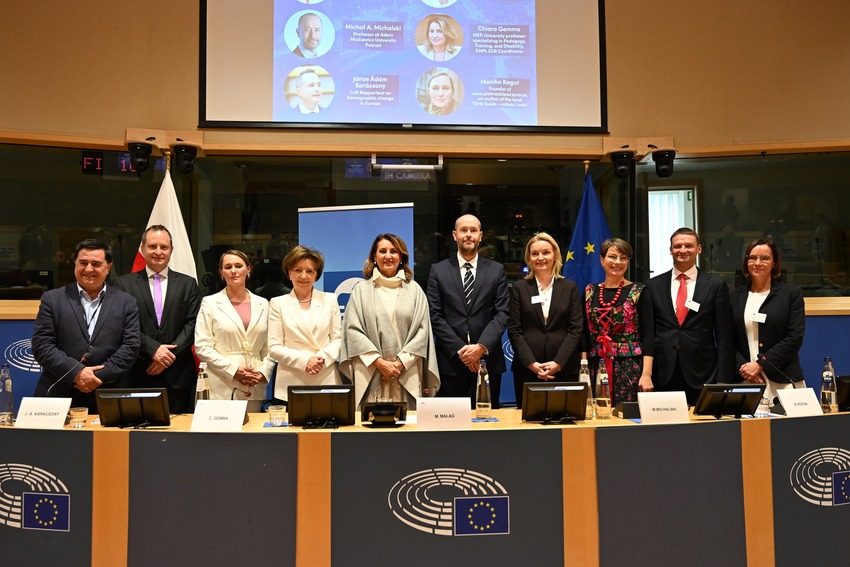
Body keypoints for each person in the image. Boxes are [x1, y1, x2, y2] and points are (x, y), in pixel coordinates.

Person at [32, 239, 140, 411]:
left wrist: (96, 376)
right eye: (83, 263)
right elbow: (42, 346)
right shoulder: (52, 299)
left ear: (108, 267)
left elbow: (130, 347)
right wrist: (76, 373)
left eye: (96, 264)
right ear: (75, 263)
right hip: (60, 393)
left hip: (108, 393)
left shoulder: (126, 302)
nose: (88, 269)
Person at [340, 234, 439, 408]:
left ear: (401, 257)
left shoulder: (415, 291)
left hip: (407, 369)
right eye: (383, 251)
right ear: (374, 256)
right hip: (371, 370)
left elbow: (422, 332)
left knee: (407, 423)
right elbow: (353, 330)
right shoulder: (360, 291)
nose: (388, 256)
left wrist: (399, 364)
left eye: (393, 251)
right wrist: (379, 363)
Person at [114, 225, 201, 413]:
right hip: (139, 371)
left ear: (171, 250)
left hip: (178, 374)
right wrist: (152, 349)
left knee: (179, 429)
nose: (158, 252)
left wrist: (167, 357)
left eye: (164, 247)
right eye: (152, 246)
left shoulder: (188, 284)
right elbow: (122, 325)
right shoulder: (123, 284)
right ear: (142, 249)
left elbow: (193, 323)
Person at [644, 227, 734, 404]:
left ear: (699, 249)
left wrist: (723, 379)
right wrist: (646, 373)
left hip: (703, 372)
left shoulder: (715, 286)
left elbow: (724, 336)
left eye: (689, 246)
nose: (683, 250)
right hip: (663, 373)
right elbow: (649, 333)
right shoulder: (653, 285)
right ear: (671, 250)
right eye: (677, 246)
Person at [427, 214, 509, 407]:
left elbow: (502, 313)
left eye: (473, 230)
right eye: (464, 230)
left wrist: (480, 348)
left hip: (488, 361)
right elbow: (434, 315)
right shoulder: (438, 270)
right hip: (451, 362)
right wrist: (462, 351)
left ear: (480, 235)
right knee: (452, 422)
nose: (469, 234)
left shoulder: (496, 270)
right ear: (454, 235)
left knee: (487, 419)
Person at [508, 233, 583, 407]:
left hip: (563, 368)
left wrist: (558, 363)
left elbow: (576, 329)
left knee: (564, 417)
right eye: (535, 254)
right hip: (528, 370)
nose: (540, 258)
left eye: (546, 252)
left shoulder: (569, 288)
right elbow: (514, 330)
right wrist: (531, 363)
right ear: (529, 258)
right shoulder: (519, 288)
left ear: (555, 255)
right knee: (529, 419)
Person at [195, 250, 275, 412]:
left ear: (248, 269)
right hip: (221, 384)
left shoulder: (263, 304)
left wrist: (263, 372)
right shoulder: (209, 303)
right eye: (228, 267)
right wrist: (233, 370)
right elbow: (202, 346)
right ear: (221, 273)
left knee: (253, 428)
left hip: (253, 383)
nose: (233, 271)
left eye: (238, 266)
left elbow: (271, 346)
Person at [730, 238, 805, 402]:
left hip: (782, 378)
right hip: (745, 379)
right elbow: (727, 339)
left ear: (774, 263)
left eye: (765, 258)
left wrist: (761, 365)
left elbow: (794, 337)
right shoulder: (733, 296)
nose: (757, 263)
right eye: (752, 258)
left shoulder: (791, 294)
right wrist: (744, 368)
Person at [583, 238, 654, 406]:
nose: (617, 262)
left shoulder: (639, 291)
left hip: (629, 366)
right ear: (602, 260)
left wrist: (647, 374)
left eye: (623, 258)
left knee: (627, 415)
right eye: (612, 257)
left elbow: (649, 334)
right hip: (596, 365)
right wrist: (583, 370)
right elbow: (583, 334)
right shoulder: (589, 291)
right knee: (596, 412)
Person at [268, 246, 342, 402]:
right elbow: (274, 347)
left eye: (309, 271)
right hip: (291, 381)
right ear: (289, 273)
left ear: (316, 275)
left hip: (325, 378)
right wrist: (305, 361)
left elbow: (338, 339)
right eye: (298, 270)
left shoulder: (330, 300)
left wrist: (319, 360)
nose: (303, 276)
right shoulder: (278, 303)